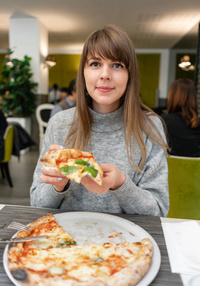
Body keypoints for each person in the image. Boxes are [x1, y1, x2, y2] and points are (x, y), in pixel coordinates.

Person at [30, 24, 169, 217]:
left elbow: (159, 211)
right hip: (66, 241)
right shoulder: (60, 124)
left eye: (117, 65)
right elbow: (37, 204)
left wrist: (121, 184)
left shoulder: (150, 127)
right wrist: (58, 186)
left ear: (130, 75)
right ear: (83, 72)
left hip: (127, 243)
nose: (105, 74)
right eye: (95, 64)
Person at [161, 79, 200, 157]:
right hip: (196, 169)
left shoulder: (163, 121)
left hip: (171, 168)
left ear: (172, 97)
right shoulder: (197, 123)